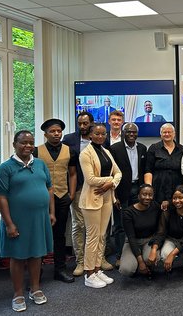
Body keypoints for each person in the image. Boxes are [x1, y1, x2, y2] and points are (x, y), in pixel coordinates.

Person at [0, 130, 56, 312]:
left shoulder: (40, 164)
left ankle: (35, 289)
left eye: (31, 142)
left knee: (37, 253)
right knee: (18, 255)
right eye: (23, 142)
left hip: (39, 218)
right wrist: (9, 223)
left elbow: (49, 188)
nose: (28, 146)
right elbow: (2, 197)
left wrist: (51, 212)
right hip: (17, 219)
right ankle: (18, 293)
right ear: (15, 144)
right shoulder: (5, 168)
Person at [63, 112, 113, 275]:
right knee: (79, 226)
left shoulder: (103, 143)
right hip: (78, 188)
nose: (82, 126)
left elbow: (111, 167)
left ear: (91, 124)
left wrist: (109, 183)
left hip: (102, 190)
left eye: (85, 123)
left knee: (100, 229)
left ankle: (99, 260)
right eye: (80, 123)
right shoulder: (69, 140)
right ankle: (81, 261)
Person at [33, 119, 77, 283]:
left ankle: (60, 269)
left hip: (62, 197)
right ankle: (37, 271)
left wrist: (71, 195)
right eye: (52, 131)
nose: (56, 134)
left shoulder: (70, 151)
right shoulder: (36, 152)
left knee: (60, 235)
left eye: (59, 131)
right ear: (45, 134)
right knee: (40, 235)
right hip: (41, 198)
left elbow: (72, 174)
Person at [79, 123, 122, 288]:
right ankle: (89, 274)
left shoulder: (106, 152)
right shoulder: (85, 154)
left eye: (103, 134)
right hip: (92, 198)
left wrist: (110, 183)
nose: (100, 136)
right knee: (93, 237)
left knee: (102, 236)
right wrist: (110, 181)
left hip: (106, 197)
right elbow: (90, 179)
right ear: (90, 135)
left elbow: (118, 172)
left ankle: (97, 270)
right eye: (97, 133)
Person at [109, 123, 147, 268]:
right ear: (123, 133)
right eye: (128, 132)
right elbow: (111, 173)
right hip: (121, 191)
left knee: (137, 222)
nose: (131, 134)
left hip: (137, 190)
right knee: (120, 225)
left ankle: (136, 253)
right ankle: (119, 255)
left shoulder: (142, 148)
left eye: (134, 132)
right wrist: (114, 195)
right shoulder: (115, 149)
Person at [149, 185, 183, 274]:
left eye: (180, 198)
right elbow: (161, 232)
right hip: (171, 238)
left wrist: (173, 254)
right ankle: (169, 264)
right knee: (165, 255)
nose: (177, 201)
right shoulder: (167, 211)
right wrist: (154, 249)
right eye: (174, 198)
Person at [119, 184, 161, 277]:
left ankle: (147, 264)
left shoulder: (155, 206)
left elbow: (160, 230)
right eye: (144, 194)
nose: (147, 197)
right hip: (133, 242)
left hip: (149, 240)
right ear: (138, 196)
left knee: (153, 259)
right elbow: (131, 237)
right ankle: (139, 264)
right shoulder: (128, 213)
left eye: (150, 195)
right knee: (126, 270)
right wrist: (140, 262)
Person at [144, 123, 183, 207]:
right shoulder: (154, 148)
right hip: (158, 188)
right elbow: (148, 170)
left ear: (174, 134)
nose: (167, 134)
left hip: (176, 188)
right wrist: (149, 188)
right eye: (164, 132)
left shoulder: (182, 149)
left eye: (169, 132)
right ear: (161, 134)